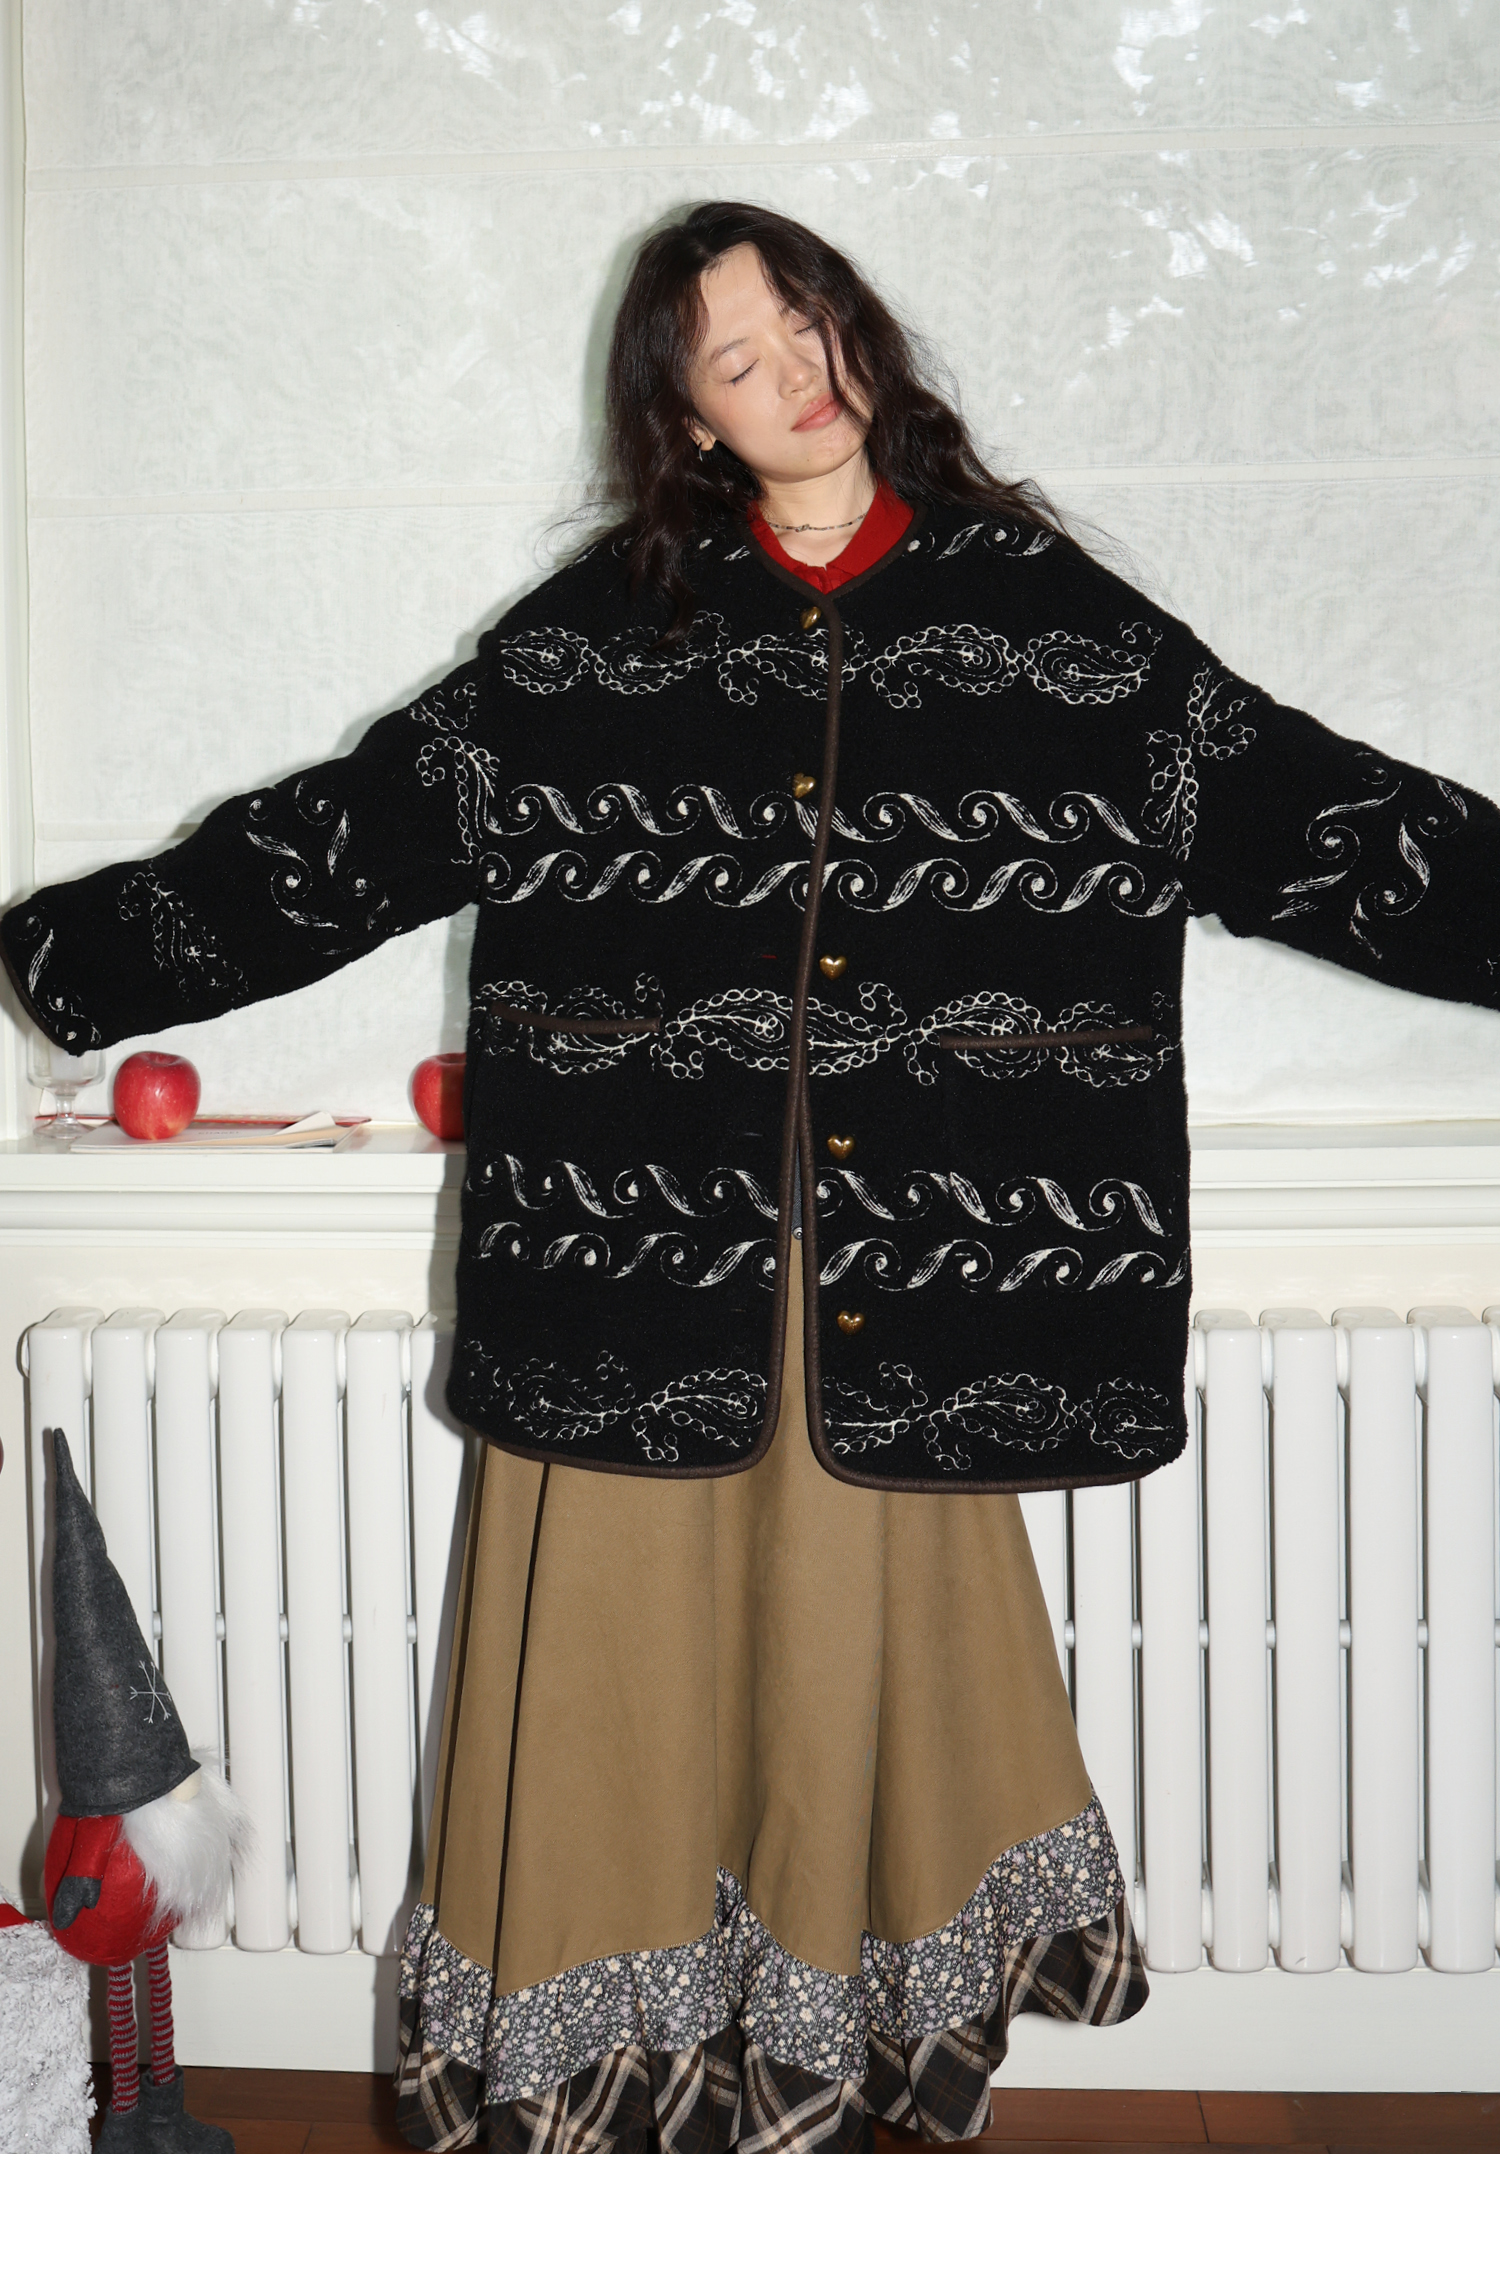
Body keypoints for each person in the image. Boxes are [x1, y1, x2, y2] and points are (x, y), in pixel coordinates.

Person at [5, 201, 1496, 2155]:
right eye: (736, 356)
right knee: (607, 1708)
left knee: (849, 1721)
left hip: (907, 1311)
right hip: (628, 1292)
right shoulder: (596, 643)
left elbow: (1311, 814)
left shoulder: (1049, 623)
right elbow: (351, 836)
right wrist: (71, 958)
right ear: (687, 416)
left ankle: (833, 2092)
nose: (793, 371)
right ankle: (617, 2110)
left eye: (809, 322)